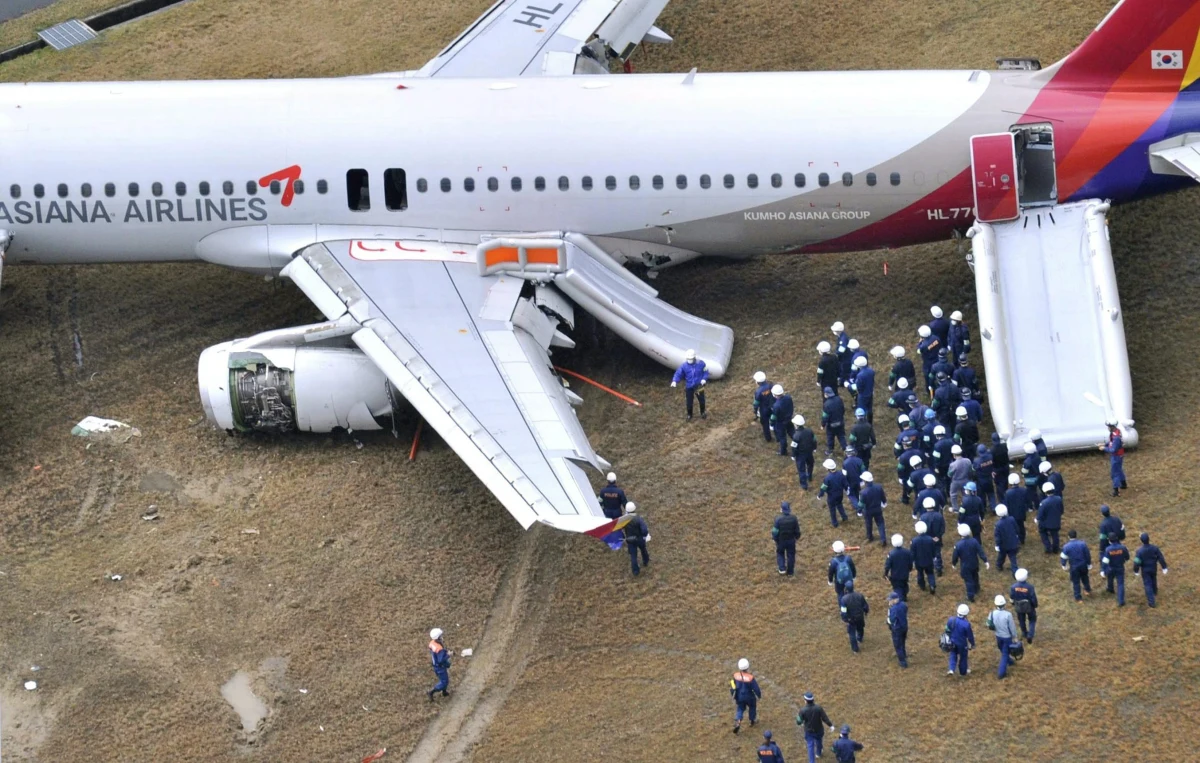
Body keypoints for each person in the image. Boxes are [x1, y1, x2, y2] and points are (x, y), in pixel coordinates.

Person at [951, 523, 989, 602]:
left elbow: (955, 556)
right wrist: (985, 560)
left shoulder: (958, 545)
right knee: (975, 576)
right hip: (974, 563)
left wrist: (953, 563)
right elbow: (980, 551)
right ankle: (977, 588)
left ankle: (970, 596)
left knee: (969, 581)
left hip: (965, 566)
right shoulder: (974, 541)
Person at [796, 692, 836, 763]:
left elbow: (799, 722)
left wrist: (799, 721)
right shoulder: (818, 708)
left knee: (810, 746)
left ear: (805, 700)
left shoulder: (803, 710)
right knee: (819, 740)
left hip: (809, 731)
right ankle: (818, 752)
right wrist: (831, 725)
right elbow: (824, 718)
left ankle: (812, 761)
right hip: (819, 729)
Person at [670, 349, 708, 420]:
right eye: (688, 359)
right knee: (689, 401)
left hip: (699, 385)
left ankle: (702, 412)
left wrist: (704, 379)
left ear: (694, 358)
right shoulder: (684, 366)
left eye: (691, 359)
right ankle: (689, 414)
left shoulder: (701, 363)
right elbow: (679, 373)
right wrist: (675, 381)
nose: (689, 360)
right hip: (689, 386)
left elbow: (706, 371)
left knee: (702, 400)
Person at [1133, 533, 1168, 607]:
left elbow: (1137, 562)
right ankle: (1155, 591)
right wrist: (1164, 567)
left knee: (1147, 584)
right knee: (1154, 578)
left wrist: (1136, 570)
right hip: (1153, 567)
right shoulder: (1155, 548)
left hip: (1145, 569)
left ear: (1141, 541)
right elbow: (1160, 557)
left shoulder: (1139, 551)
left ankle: (1151, 602)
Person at [986, 595, 1018, 679]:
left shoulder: (992, 613)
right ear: (1004, 604)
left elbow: (988, 623)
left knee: (1002, 650)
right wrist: (1015, 637)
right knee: (1005, 654)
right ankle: (1001, 673)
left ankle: (1010, 662)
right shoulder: (1008, 615)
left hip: (998, 636)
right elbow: (1012, 627)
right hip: (1007, 638)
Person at [1060, 530, 1093, 602]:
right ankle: (1087, 590)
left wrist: (1064, 565)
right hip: (1083, 565)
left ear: (1068, 537)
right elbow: (1087, 555)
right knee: (1085, 578)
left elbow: (1064, 557)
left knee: (1076, 582)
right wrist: (1089, 563)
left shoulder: (1066, 546)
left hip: (1074, 567)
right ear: (1076, 535)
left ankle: (1078, 598)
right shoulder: (1083, 544)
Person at [730, 658, 761, 733]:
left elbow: (732, 686)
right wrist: (759, 695)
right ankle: (752, 720)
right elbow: (756, 688)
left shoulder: (735, 676)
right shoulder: (750, 678)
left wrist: (733, 695)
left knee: (740, 709)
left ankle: (738, 720)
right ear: (747, 667)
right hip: (750, 697)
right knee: (752, 707)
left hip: (740, 696)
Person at [944, 603, 975, 677]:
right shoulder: (966, 624)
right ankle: (963, 672)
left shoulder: (951, 619)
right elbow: (970, 636)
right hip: (962, 644)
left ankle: (951, 669)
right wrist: (972, 643)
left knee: (953, 654)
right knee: (963, 657)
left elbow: (947, 629)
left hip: (952, 641)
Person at [918, 498, 947, 575]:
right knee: (937, 552)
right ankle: (938, 568)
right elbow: (943, 528)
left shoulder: (923, 517)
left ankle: (930, 566)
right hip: (937, 538)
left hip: (926, 539)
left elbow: (921, 529)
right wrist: (938, 536)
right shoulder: (939, 516)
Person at [1101, 531, 1130, 606]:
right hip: (1120, 567)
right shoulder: (1123, 547)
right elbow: (1127, 557)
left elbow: (1105, 561)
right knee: (1120, 584)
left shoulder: (1108, 549)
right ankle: (1121, 601)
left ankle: (1110, 588)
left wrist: (1103, 571)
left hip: (1111, 568)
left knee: (1110, 578)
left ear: (1109, 540)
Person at [839, 579, 869, 653]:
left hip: (851, 619)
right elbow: (865, 606)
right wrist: (866, 612)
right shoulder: (860, 595)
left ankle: (855, 649)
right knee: (860, 628)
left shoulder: (844, 599)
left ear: (845, 589)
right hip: (860, 616)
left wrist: (845, 619)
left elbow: (843, 611)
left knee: (852, 634)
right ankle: (860, 638)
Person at [857, 471, 887, 544]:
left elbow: (861, 504)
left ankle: (870, 537)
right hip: (878, 509)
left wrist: (859, 511)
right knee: (880, 523)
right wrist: (884, 502)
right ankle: (883, 539)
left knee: (869, 523)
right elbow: (883, 496)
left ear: (865, 481)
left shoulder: (863, 492)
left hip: (868, 511)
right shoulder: (879, 487)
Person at [1009, 568, 1038, 643]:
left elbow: (1011, 597)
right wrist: (1035, 605)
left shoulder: (1013, 587)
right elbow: (1033, 598)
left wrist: (1013, 603)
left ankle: (1024, 633)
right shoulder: (1029, 587)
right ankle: (1030, 635)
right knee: (1032, 620)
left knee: (1021, 620)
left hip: (1019, 606)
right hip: (1029, 606)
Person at [773, 501, 802, 576]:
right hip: (791, 540)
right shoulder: (794, 518)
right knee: (791, 555)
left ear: (782, 509)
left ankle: (782, 568)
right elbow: (797, 530)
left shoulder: (778, 519)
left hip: (781, 540)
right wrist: (797, 537)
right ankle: (790, 572)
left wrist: (775, 539)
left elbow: (775, 531)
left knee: (780, 553)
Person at [819, 459, 850, 528]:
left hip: (831, 497)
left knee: (832, 509)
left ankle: (835, 523)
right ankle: (844, 517)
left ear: (828, 468)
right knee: (840, 505)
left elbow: (823, 488)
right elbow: (846, 484)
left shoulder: (827, 478)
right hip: (840, 495)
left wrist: (820, 495)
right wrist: (847, 490)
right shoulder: (841, 474)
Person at [1100, 420, 1127, 497]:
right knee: (1119, 469)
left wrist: (1104, 448)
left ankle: (1116, 491)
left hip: (1116, 456)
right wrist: (1104, 444)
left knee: (1115, 473)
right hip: (1119, 455)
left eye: (1108, 426)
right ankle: (1123, 483)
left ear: (1112, 427)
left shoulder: (1116, 437)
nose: (1107, 428)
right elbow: (1111, 442)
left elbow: (1113, 449)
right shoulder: (1116, 432)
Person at [622, 502, 650, 576]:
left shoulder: (624, 520)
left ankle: (635, 571)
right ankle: (646, 561)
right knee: (643, 550)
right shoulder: (638, 519)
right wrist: (644, 535)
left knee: (633, 556)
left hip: (630, 540)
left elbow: (619, 527)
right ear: (634, 509)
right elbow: (644, 530)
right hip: (639, 539)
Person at [791, 415, 818, 490]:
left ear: (796, 425)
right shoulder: (809, 431)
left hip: (800, 455)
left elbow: (794, 447)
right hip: (809, 452)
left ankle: (804, 485)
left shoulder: (796, 436)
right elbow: (814, 440)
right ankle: (809, 476)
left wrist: (793, 455)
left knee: (801, 470)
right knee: (810, 464)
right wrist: (814, 448)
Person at [1035, 483, 1063, 554]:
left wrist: (1037, 519)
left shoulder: (1044, 503)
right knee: (1055, 535)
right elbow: (1061, 510)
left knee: (1042, 532)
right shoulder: (1059, 499)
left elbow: (1040, 514)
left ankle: (1048, 547)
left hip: (1046, 523)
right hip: (1056, 522)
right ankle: (1055, 548)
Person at [911, 520, 938, 595]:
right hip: (929, 560)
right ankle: (932, 585)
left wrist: (912, 560)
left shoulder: (914, 541)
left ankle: (922, 585)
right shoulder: (930, 539)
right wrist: (934, 557)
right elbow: (933, 550)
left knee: (920, 573)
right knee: (930, 573)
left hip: (919, 561)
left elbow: (912, 552)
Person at [884, 533, 913, 600]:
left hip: (895, 575)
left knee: (897, 588)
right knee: (904, 584)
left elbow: (888, 565)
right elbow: (910, 561)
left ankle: (900, 599)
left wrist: (885, 573)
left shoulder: (891, 554)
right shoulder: (907, 552)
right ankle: (904, 595)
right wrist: (910, 568)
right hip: (905, 573)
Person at [1003, 473, 1030, 545]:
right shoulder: (1024, 490)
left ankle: (1016, 539)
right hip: (1021, 512)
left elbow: (1006, 504)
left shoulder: (1007, 493)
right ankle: (1022, 539)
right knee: (1021, 526)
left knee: (1013, 527)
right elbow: (1027, 501)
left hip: (1012, 513)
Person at [993, 504, 1020, 574]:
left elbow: (997, 536)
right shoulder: (1012, 519)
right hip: (1013, 543)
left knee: (1001, 556)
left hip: (1003, 545)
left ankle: (999, 566)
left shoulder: (998, 524)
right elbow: (1017, 529)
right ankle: (1015, 571)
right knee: (1013, 558)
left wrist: (997, 545)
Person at [822, 386, 848, 455]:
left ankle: (830, 450)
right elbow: (843, 410)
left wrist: (823, 424)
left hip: (831, 425)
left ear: (826, 394)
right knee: (841, 436)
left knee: (830, 437)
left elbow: (825, 416)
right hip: (840, 422)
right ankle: (845, 449)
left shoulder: (826, 404)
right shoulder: (839, 399)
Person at [886, 590, 909, 667]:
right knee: (902, 642)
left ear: (894, 599)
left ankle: (903, 662)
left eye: (890, 600)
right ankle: (904, 654)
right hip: (904, 627)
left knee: (898, 645)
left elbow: (891, 620)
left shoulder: (893, 609)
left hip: (897, 629)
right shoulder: (903, 605)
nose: (890, 601)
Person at [427, 627, 451, 700]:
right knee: (444, 681)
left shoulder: (432, 643)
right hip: (440, 666)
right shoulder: (439, 649)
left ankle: (444, 691)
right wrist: (448, 655)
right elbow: (441, 660)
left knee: (444, 678)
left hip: (436, 665)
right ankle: (431, 692)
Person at [916, 325, 941, 398]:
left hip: (928, 363)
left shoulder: (923, 345)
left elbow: (918, 351)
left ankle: (930, 390)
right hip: (937, 358)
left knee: (928, 377)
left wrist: (919, 343)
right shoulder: (936, 338)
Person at [771, 385, 795, 456]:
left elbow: (774, 417)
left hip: (780, 423)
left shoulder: (776, 405)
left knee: (782, 437)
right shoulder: (788, 398)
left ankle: (783, 451)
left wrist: (771, 424)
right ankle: (799, 442)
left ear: (774, 394)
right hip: (789, 419)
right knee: (792, 432)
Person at [850, 355, 875, 421]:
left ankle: (862, 421)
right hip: (870, 392)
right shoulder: (871, 371)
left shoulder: (860, 375)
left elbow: (859, 387)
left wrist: (850, 386)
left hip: (862, 395)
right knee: (869, 409)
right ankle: (870, 422)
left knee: (862, 409)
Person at [752, 371, 775, 443]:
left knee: (765, 423)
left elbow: (756, 403)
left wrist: (755, 411)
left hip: (764, 410)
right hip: (773, 407)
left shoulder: (758, 392)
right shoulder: (771, 386)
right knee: (774, 420)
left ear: (757, 382)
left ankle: (768, 438)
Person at [948, 445, 972, 511]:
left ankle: (955, 508)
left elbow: (949, 474)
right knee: (965, 494)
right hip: (965, 480)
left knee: (953, 495)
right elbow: (971, 471)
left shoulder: (953, 464)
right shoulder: (968, 461)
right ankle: (966, 506)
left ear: (954, 454)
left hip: (955, 481)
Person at [972, 444, 996, 509]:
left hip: (980, 481)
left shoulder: (976, 461)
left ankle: (983, 508)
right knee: (991, 494)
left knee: (981, 495)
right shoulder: (990, 457)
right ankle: (993, 507)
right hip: (989, 479)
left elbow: (973, 470)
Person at [932, 425, 955, 490]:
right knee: (949, 479)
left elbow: (936, 458)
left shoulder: (937, 445)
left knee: (941, 480)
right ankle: (948, 491)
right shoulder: (951, 442)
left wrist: (936, 467)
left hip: (941, 466)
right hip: (950, 463)